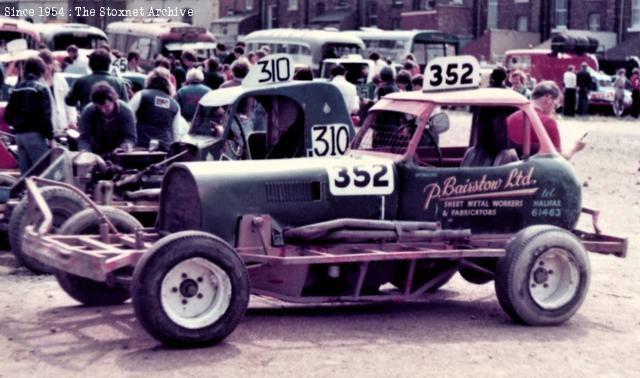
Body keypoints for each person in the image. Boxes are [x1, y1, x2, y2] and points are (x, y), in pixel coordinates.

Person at [506, 81, 585, 160]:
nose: (554, 110)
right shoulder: (548, 122)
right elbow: (559, 159)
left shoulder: (511, 118)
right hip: (535, 170)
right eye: (555, 106)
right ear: (548, 98)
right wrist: (575, 148)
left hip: (510, 169)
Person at [4, 57, 54, 173]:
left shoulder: (16, 88)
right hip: (36, 136)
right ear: (41, 70)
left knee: (25, 177)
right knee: (42, 175)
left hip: (19, 137)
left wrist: (18, 124)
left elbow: (7, 116)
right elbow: (46, 118)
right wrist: (51, 137)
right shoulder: (41, 88)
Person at [129, 67, 181, 151]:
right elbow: (176, 133)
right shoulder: (175, 105)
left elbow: (128, 115)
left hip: (140, 146)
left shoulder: (142, 95)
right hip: (164, 148)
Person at [77, 82, 136, 155]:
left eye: (106, 106)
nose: (103, 110)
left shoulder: (126, 111)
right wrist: (85, 152)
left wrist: (124, 148)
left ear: (114, 100)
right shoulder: (88, 111)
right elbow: (84, 137)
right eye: (99, 107)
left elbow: (129, 137)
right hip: (95, 151)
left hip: (118, 152)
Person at [39, 50, 77, 135]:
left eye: (49, 65)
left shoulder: (60, 79)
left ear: (53, 64)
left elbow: (69, 102)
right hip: (46, 129)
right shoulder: (38, 82)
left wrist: (72, 120)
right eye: (44, 67)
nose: (47, 69)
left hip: (63, 127)